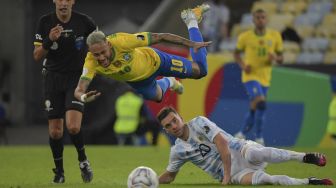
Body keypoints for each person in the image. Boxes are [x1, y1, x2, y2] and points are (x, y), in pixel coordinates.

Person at [157, 106, 333, 186]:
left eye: (174, 120)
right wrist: (150, 182)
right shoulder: (178, 151)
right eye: (168, 125)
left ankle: (303, 157)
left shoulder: (198, 122)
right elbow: (170, 177)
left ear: (180, 117)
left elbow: (222, 143)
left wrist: (225, 178)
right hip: (236, 173)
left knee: (256, 153)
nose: (174, 126)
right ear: (165, 130)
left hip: (238, 150)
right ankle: (309, 181)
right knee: (267, 180)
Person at [74, 4, 211, 104]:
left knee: (201, 71)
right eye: (96, 54)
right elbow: (79, 89)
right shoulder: (90, 62)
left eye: (103, 52)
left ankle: (191, 19)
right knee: (158, 97)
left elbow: (160, 37)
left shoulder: (122, 41)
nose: (101, 58)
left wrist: (191, 44)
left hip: (156, 61)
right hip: (139, 82)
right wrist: (83, 97)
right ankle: (170, 82)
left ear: (108, 44)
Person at [33, 0, 96, 183]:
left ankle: (83, 161)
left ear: (72, 2)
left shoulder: (85, 22)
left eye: (66, 0)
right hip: (53, 79)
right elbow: (37, 55)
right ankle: (59, 172)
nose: (63, 3)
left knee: (74, 126)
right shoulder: (45, 22)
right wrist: (49, 40)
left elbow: (100, 44)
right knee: (55, 132)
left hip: (76, 78)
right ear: (55, 1)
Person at [234, 9, 284, 145]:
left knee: (258, 106)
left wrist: (275, 58)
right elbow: (236, 54)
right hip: (250, 76)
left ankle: (241, 133)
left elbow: (281, 59)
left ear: (266, 20)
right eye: (258, 17)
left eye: (263, 17)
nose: (260, 20)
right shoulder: (245, 37)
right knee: (261, 102)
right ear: (253, 20)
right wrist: (243, 65)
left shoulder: (275, 36)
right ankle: (259, 138)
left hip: (265, 78)